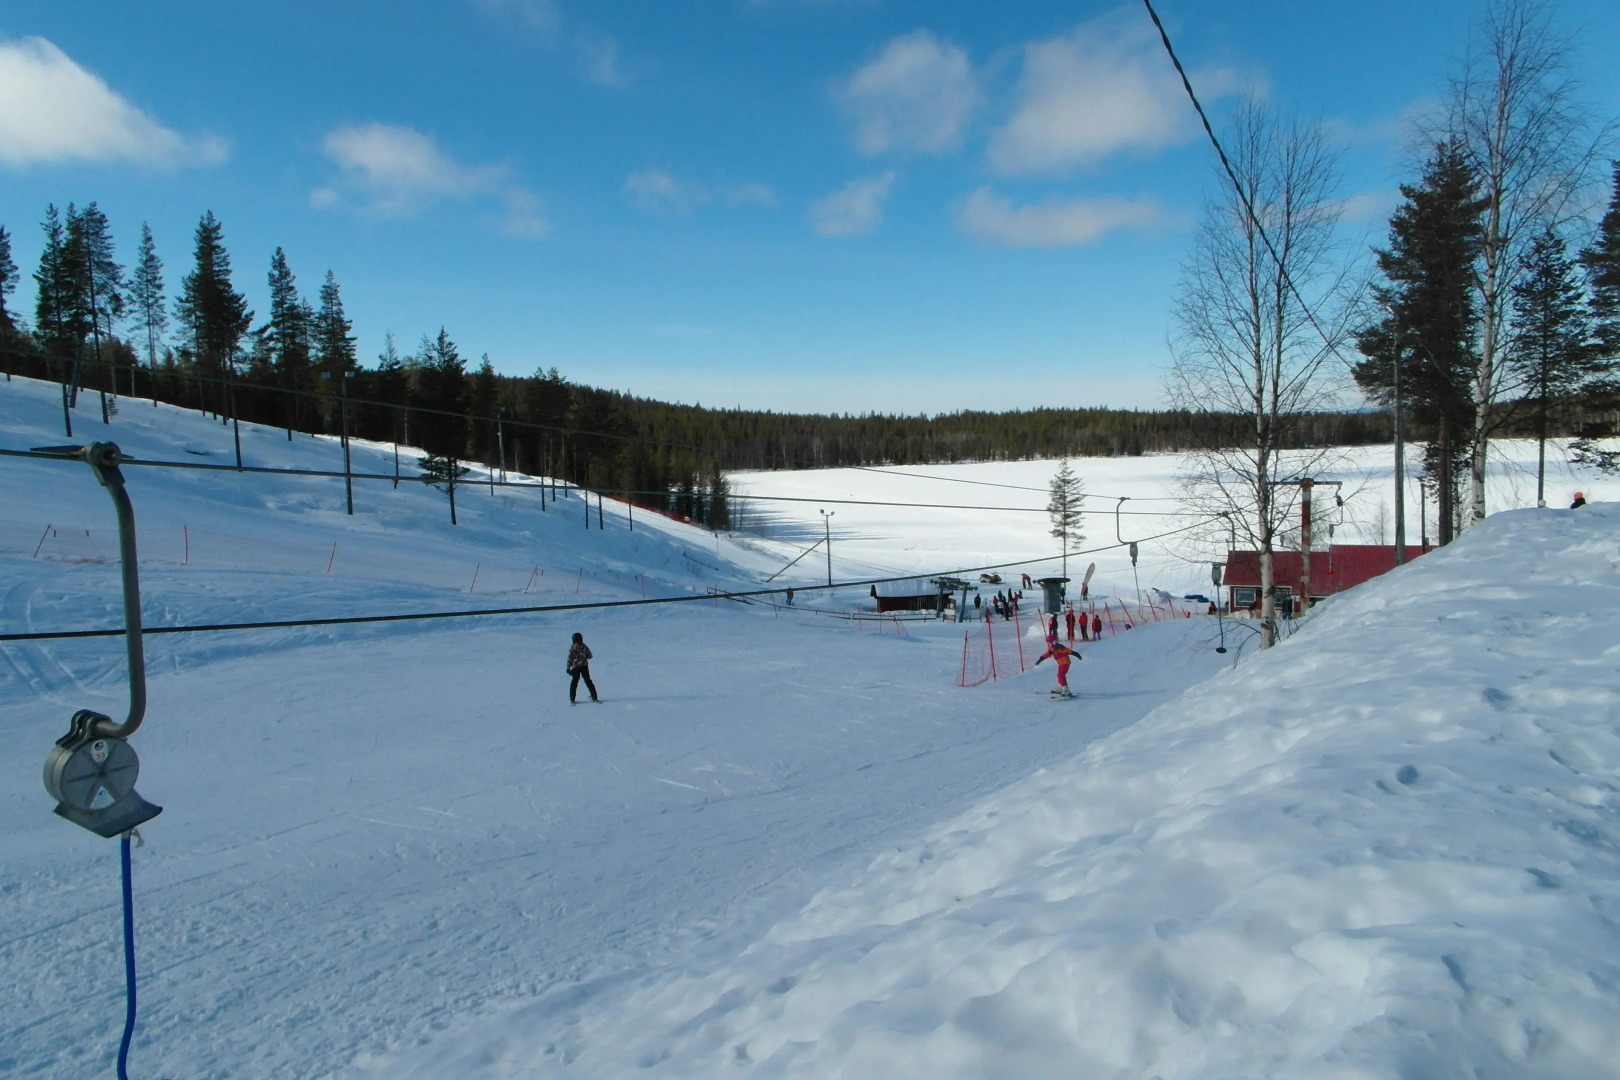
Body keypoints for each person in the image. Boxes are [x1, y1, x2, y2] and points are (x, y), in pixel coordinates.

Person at [566, 632, 598, 704]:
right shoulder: (584, 646)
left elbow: (570, 658)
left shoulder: (572, 647)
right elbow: (590, 656)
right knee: (588, 681)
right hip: (584, 666)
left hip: (575, 667)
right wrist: (583, 657)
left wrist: (568, 667)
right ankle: (594, 697)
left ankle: (572, 698)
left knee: (574, 682)